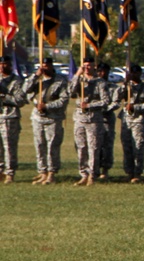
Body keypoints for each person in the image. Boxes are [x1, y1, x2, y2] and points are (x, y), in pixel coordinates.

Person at [25, 58, 70, 185]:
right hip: (38, 118)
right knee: (39, 146)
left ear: (51, 66)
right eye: (43, 66)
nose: (45, 68)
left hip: (53, 118)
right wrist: (35, 76)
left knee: (52, 147)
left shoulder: (60, 81)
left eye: (47, 66)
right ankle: (42, 172)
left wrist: (47, 106)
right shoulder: (37, 79)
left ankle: (51, 173)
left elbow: (64, 100)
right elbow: (25, 90)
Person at [68, 56, 110, 186]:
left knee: (94, 148)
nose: (87, 68)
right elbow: (70, 92)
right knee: (81, 148)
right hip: (80, 119)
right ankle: (83, 174)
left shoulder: (100, 82)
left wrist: (90, 105)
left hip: (94, 120)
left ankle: (92, 174)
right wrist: (77, 75)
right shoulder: (79, 80)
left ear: (94, 66)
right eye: (85, 66)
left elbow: (106, 101)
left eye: (89, 65)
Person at [120, 63, 144, 183]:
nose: (133, 75)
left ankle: (137, 173)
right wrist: (125, 83)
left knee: (139, 148)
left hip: (139, 121)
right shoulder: (127, 87)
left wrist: (135, 107)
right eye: (131, 73)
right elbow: (117, 96)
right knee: (127, 148)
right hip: (126, 121)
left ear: (140, 73)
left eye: (135, 72)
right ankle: (129, 172)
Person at [0, 55, 27, 184]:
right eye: (0, 64)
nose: (2, 66)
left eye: (5, 64)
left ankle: (10, 172)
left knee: (9, 147)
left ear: (10, 65)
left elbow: (20, 100)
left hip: (9, 117)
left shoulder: (16, 81)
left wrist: (5, 98)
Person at [96, 63, 122, 180]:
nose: (102, 73)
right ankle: (94, 169)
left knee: (106, 145)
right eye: (100, 71)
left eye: (104, 71)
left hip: (107, 119)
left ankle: (105, 170)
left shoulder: (113, 87)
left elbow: (116, 102)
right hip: (94, 119)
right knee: (94, 145)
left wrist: (105, 109)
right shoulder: (93, 86)